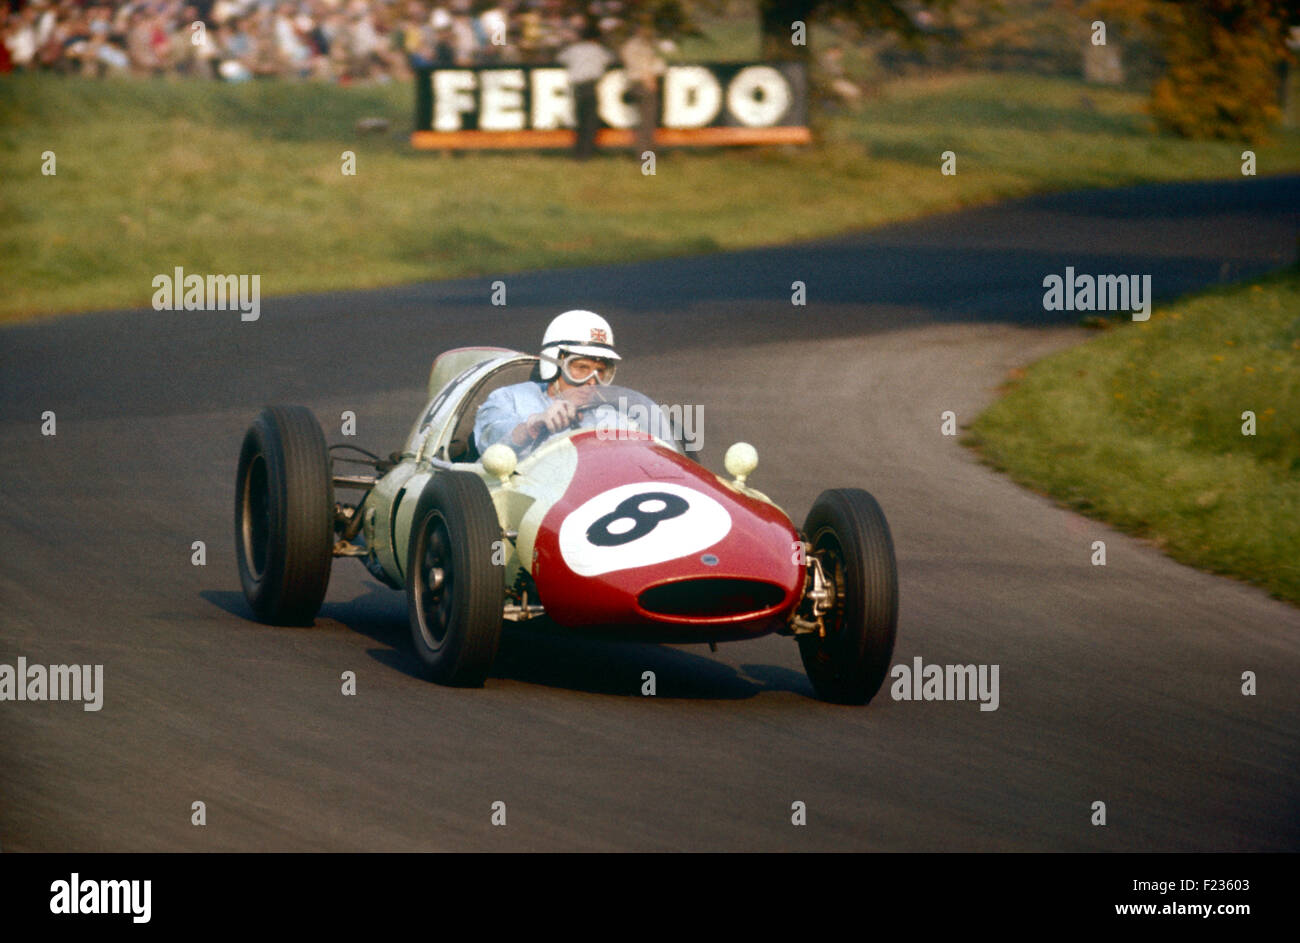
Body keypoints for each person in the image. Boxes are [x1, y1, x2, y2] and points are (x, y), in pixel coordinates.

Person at [474, 310, 622, 458]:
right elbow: (488, 443)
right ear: (553, 364)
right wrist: (532, 427)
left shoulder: (609, 417)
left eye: (601, 371)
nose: (592, 381)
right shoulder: (510, 398)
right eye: (581, 368)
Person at [557, 20, 613, 160]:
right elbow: (611, 59)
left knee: (579, 120)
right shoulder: (599, 50)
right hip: (590, 86)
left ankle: (578, 152)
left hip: (577, 87)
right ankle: (587, 153)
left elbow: (560, 58)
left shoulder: (574, 49)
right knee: (590, 121)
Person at [619, 21, 664, 155]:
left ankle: (645, 156)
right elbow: (644, 65)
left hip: (636, 83)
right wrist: (649, 80)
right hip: (643, 83)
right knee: (647, 123)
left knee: (644, 122)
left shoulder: (628, 46)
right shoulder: (639, 45)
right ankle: (647, 159)